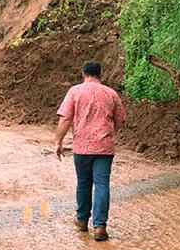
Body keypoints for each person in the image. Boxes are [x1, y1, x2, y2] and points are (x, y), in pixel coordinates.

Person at [54, 61, 126, 241]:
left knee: (84, 183)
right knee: (102, 184)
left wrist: (58, 142)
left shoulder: (75, 92)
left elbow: (65, 119)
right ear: (100, 74)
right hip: (104, 147)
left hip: (82, 147)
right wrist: (109, 133)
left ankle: (82, 219)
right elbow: (120, 120)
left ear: (83, 73)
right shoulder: (111, 94)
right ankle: (100, 226)